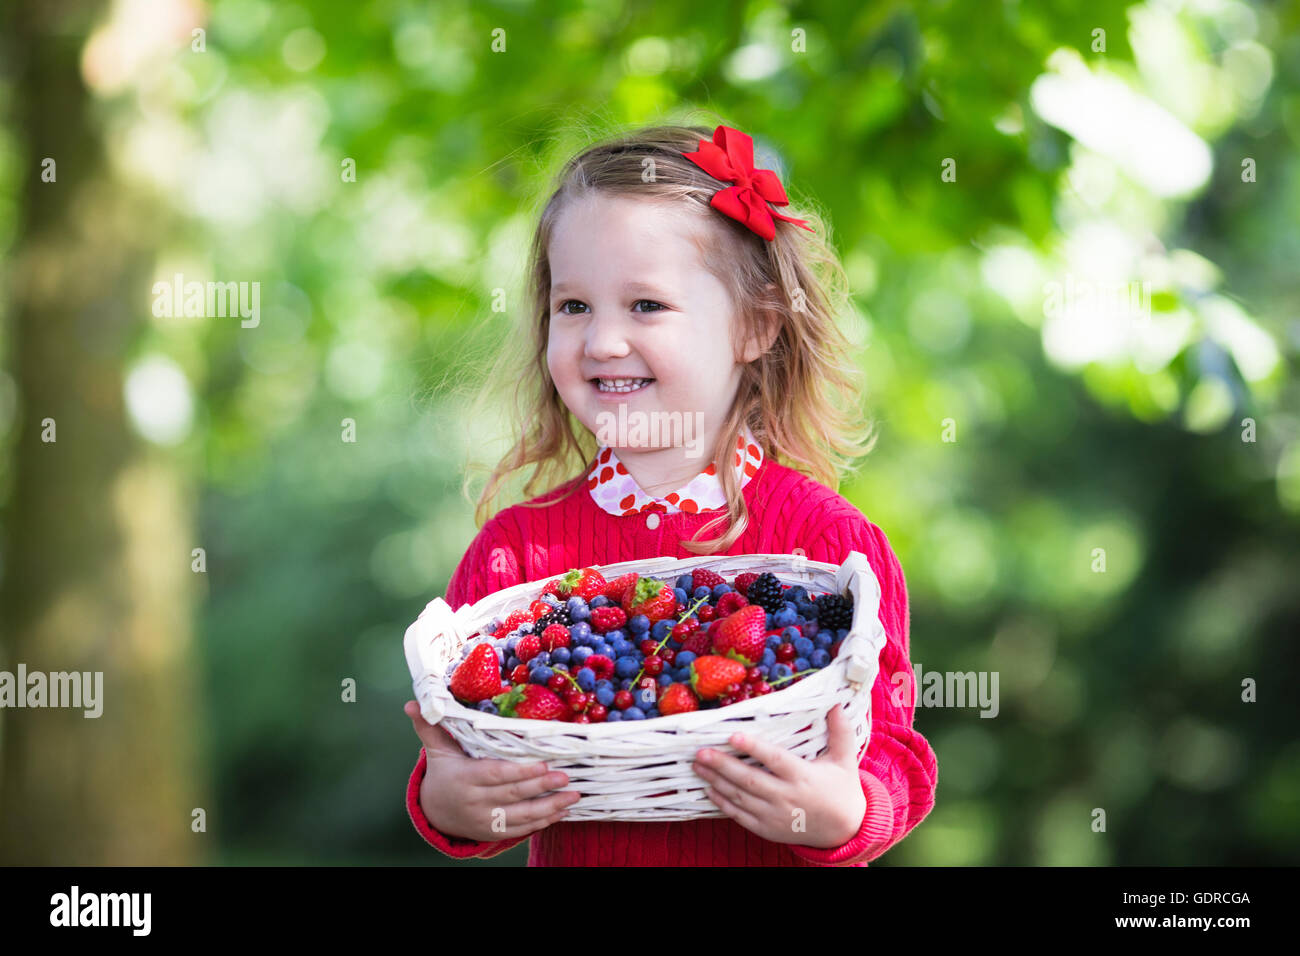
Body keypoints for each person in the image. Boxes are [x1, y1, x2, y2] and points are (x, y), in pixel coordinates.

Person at [402, 121, 937, 865]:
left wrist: (847, 810)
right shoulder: (515, 555)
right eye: (574, 306)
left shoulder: (830, 545)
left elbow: (893, 755)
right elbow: (458, 752)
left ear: (755, 326)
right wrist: (447, 802)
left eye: (646, 306)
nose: (603, 342)